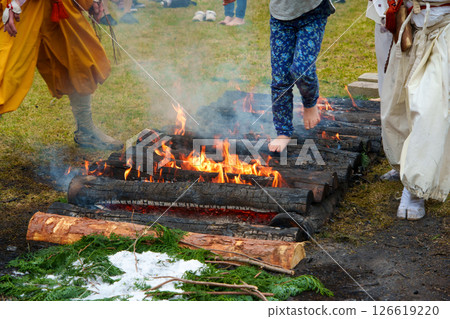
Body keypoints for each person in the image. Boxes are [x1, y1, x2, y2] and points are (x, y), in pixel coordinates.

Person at [0, 0, 123, 150]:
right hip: (22, 8)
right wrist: (14, 3)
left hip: (59, 6)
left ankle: (86, 130)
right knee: (5, 72)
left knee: (80, 62)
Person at [381, 0, 450, 220]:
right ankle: (406, 166)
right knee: (397, 109)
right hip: (411, 24)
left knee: (428, 107)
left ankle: (414, 189)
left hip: (444, 29)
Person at [268, 0, 335, 152]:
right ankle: (283, 132)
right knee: (280, 78)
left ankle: (310, 104)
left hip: (313, 12)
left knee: (302, 69)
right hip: (281, 16)